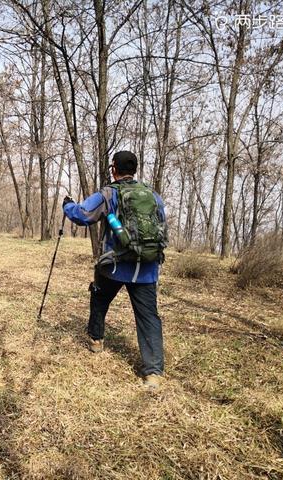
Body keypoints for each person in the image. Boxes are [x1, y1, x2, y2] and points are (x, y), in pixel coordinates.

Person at [62, 151, 168, 389]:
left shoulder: (109, 193)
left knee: (99, 298)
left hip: (115, 265)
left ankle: (97, 340)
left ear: (113, 169)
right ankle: (153, 373)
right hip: (147, 268)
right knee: (149, 317)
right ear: (135, 169)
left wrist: (67, 206)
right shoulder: (153, 195)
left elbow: (82, 215)